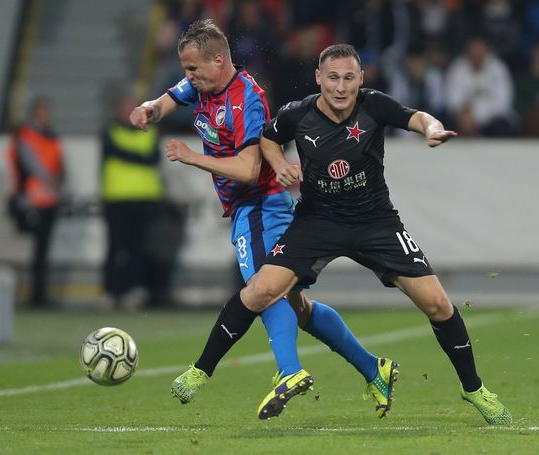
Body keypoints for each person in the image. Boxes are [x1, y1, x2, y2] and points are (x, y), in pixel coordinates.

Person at [178, 43, 513, 425]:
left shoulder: (374, 105)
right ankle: (200, 371)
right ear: (319, 78)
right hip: (317, 221)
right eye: (333, 78)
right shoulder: (297, 114)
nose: (340, 87)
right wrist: (279, 163)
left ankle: (474, 390)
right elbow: (269, 138)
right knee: (260, 290)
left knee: (437, 304)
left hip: (376, 222)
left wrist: (432, 128)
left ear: (361, 79)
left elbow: (414, 116)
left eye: (348, 78)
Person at [129, 19, 396, 420]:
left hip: (259, 205)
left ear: (219, 60)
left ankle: (287, 371)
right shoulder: (203, 83)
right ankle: (373, 367)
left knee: (262, 288)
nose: (188, 77)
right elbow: (174, 95)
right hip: (250, 208)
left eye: (193, 69)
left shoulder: (246, 101)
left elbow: (249, 169)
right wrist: (152, 109)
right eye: (187, 69)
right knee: (296, 304)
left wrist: (192, 157)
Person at [100, 93, 173, 311]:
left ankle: (131, 292)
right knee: (115, 247)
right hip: (117, 197)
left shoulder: (150, 131)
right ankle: (110, 292)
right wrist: (138, 158)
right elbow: (130, 155)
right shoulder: (110, 130)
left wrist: (130, 156)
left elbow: (152, 158)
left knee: (137, 248)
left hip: (145, 198)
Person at [6, 97, 65, 308]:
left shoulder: (51, 137)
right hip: (31, 201)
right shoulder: (26, 136)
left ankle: (40, 294)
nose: (45, 117)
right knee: (37, 252)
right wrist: (53, 181)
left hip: (48, 200)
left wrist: (58, 184)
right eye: (41, 112)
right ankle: (36, 295)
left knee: (43, 251)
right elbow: (33, 167)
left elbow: (59, 166)